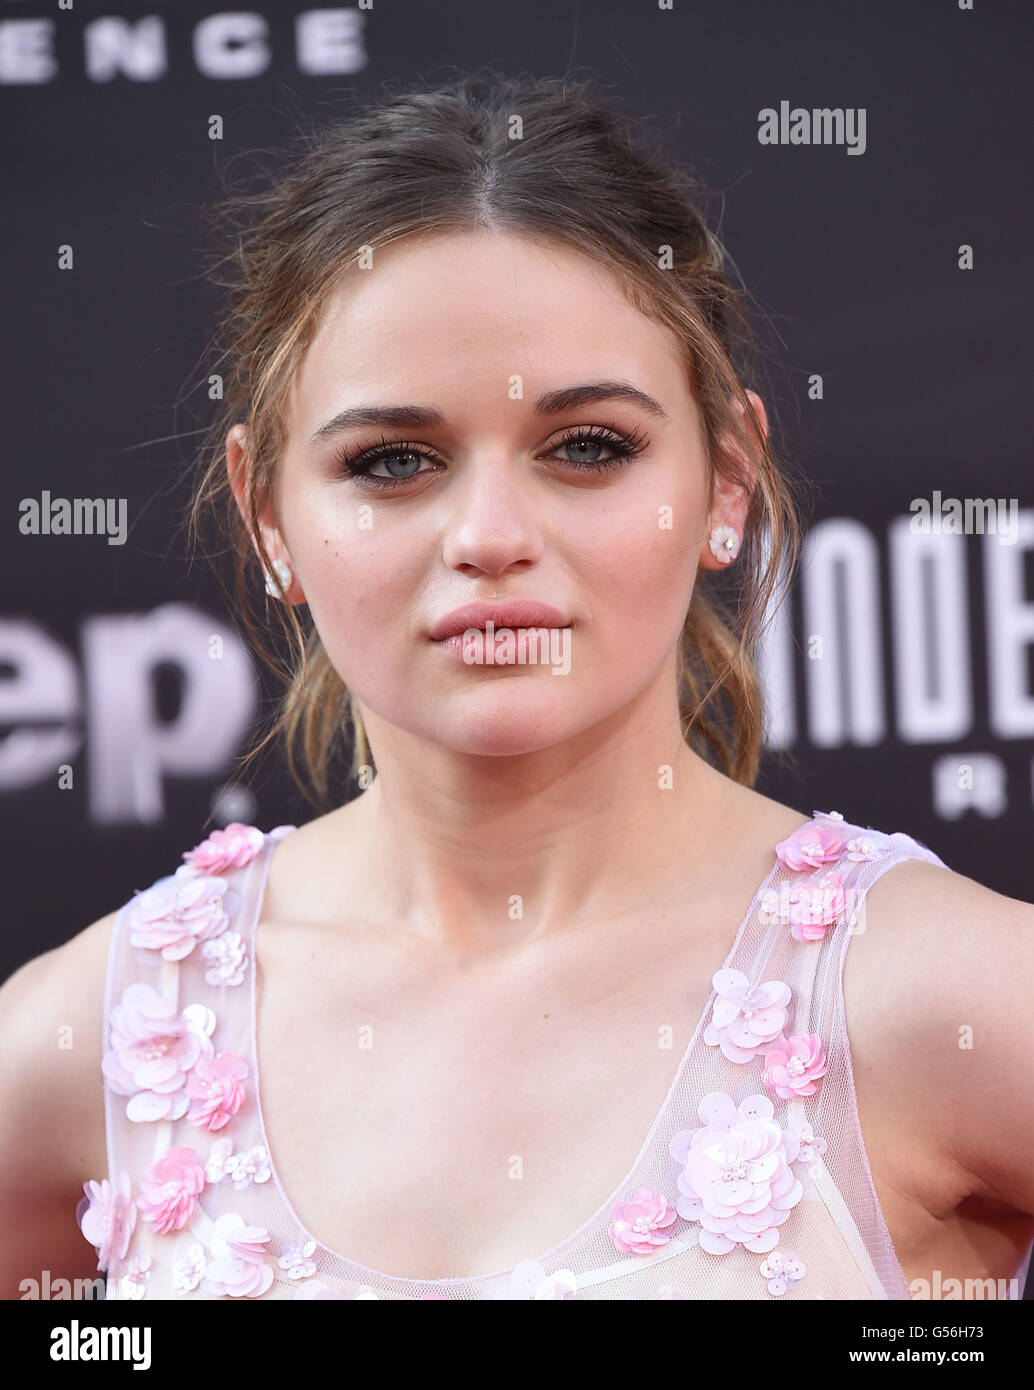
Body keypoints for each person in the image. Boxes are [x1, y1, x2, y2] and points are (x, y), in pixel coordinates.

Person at [2, 71, 1032, 1303]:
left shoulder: (948, 998)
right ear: (265, 513)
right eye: (392, 461)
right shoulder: (93, 1043)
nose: (489, 534)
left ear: (726, 482)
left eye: (586, 447)